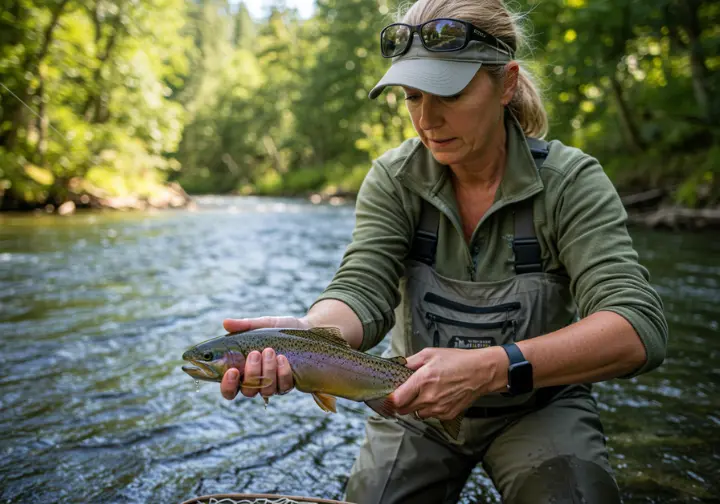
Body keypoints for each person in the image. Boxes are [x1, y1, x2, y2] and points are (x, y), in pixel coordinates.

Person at [219, 1, 668, 502]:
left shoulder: (571, 183)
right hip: (413, 409)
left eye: (448, 94)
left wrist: (493, 368)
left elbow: (636, 328)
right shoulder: (394, 179)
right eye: (412, 96)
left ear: (508, 84)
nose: (427, 119)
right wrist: (305, 337)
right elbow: (361, 290)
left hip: (540, 406)